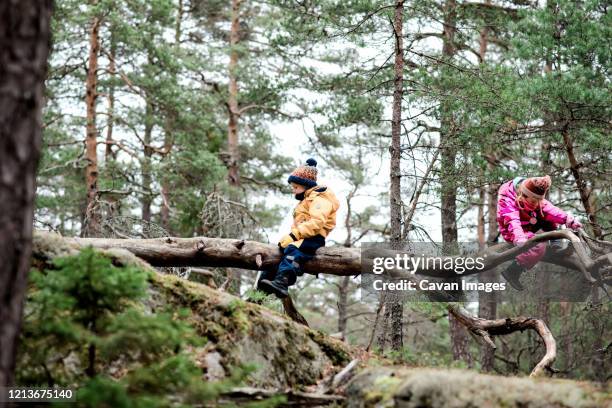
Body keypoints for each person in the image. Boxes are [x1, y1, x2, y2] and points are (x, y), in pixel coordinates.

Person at [258, 158, 340, 298]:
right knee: (279, 252)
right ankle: (262, 287)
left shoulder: (319, 199)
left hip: (314, 237)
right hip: (303, 236)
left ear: (305, 185)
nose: (293, 191)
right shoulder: (305, 201)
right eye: (292, 187)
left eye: (296, 187)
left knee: (293, 250)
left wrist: (293, 236)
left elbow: (316, 223)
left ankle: (283, 281)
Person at [497, 175, 582, 291]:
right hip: (512, 231)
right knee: (538, 245)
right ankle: (513, 270)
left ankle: (555, 244)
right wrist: (520, 237)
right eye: (533, 201)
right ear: (523, 195)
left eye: (539, 200)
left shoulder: (534, 198)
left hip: (527, 223)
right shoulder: (508, 199)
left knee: (547, 216)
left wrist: (569, 220)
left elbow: (552, 210)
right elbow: (512, 220)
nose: (537, 204)